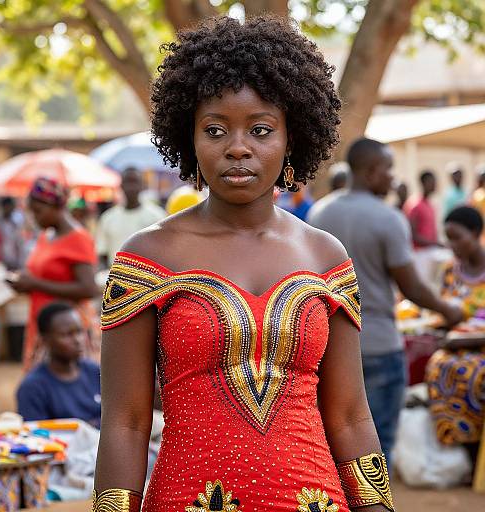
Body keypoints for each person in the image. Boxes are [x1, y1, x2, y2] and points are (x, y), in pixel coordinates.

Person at [93, 16, 396, 512]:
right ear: (188, 139)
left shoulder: (326, 257)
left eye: (260, 130)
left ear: (290, 138)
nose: (238, 147)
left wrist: (378, 506)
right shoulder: (146, 258)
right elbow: (126, 421)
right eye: (216, 130)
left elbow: (349, 416)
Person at [309, 137, 462, 466]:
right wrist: (449, 309)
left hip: (328, 348)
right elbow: (412, 288)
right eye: (388, 170)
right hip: (379, 346)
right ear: (370, 171)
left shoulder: (319, 213)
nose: (392, 178)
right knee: (378, 448)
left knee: (331, 448)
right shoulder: (388, 218)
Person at [7, 177, 99, 371]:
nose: (34, 217)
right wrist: (24, 282)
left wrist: (35, 284)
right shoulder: (46, 236)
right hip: (43, 323)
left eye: (38, 211)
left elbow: (88, 288)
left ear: (55, 206)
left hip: (65, 331)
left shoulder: (77, 238)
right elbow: (42, 275)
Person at [425, 206, 485, 465]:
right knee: (437, 365)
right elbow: (445, 310)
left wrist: (463, 339)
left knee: (473, 373)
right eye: (447, 238)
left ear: (475, 233)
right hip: (454, 346)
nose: (452, 245)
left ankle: (473, 450)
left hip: (478, 348)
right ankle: (454, 450)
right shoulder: (451, 271)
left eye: (457, 237)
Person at [17, 302, 101, 428]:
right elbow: (39, 437)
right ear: (44, 340)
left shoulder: (95, 372)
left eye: (79, 331)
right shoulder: (33, 388)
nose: (77, 340)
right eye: (66, 334)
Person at [96, 167, 166, 268]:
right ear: (121, 186)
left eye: (135, 182)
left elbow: (164, 250)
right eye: (127, 182)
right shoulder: (108, 218)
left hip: (148, 277)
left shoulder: (157, 216)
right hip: (116, 276)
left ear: (142, 185)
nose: (131, 187)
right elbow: (102, 252)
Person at [0, 197, 25, 270]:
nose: (11, 210)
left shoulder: (14, 224)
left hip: (13, 262)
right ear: (3, 207)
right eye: (9, 207)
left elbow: (18, 244)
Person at [404, 170, 440, 249]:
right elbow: (412, 234)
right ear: (424, 183)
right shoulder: (414, 204)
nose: (435, 185)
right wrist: (434, 243)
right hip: (419, 252)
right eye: (432, 182)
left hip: (430, 250)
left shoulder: (430, 204)